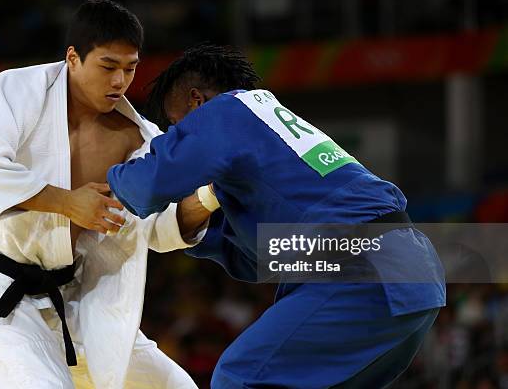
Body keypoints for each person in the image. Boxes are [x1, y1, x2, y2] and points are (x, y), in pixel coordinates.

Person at [107, 44, 447, 388]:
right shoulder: (267, 132)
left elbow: (143, 188)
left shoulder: (226, 110)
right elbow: (254, 258)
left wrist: (102, 173)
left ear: (197, 100)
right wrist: (188, 221)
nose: (178, 138)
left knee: (240, 378)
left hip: (361, 268)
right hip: (412, 272)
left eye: (177, 126)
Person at [0, 0, 208, 388]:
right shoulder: (16, 90)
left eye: (130, 68)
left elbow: (160, 227)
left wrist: (209, 196)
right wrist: (67, 202)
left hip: (77, 303)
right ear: (73, 58)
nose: (120, 81)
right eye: (108, 66)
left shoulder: (138, 139)